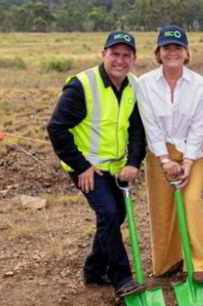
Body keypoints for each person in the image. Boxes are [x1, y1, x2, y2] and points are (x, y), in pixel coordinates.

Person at [47, 31, 147, 297]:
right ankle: (122, 278)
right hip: (87, 168)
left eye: (127, 55)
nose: (120, 60)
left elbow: (138, 130)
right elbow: (56, 128)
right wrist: (82, 166)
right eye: (115, 54)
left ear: (134, 59)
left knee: (117, 216)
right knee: (109, 215)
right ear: (103, 54)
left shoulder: (134, 86)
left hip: (115, 167)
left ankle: (93, 270)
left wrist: (134, 162)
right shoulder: (82, 85)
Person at [136, 25, 203, 282]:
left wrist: (188, 162)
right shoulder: (144, 84)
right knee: (162, 208)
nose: (172, 52)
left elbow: (200, 126)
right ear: (158, 52)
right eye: (166, 48)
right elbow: (150, 125)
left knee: (190, 202)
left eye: (178, 47)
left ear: (186, 52)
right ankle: (169, 261)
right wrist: (165, 160)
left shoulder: (200, 85)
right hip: (159, 154)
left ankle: (199, 263)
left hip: (194, 152)